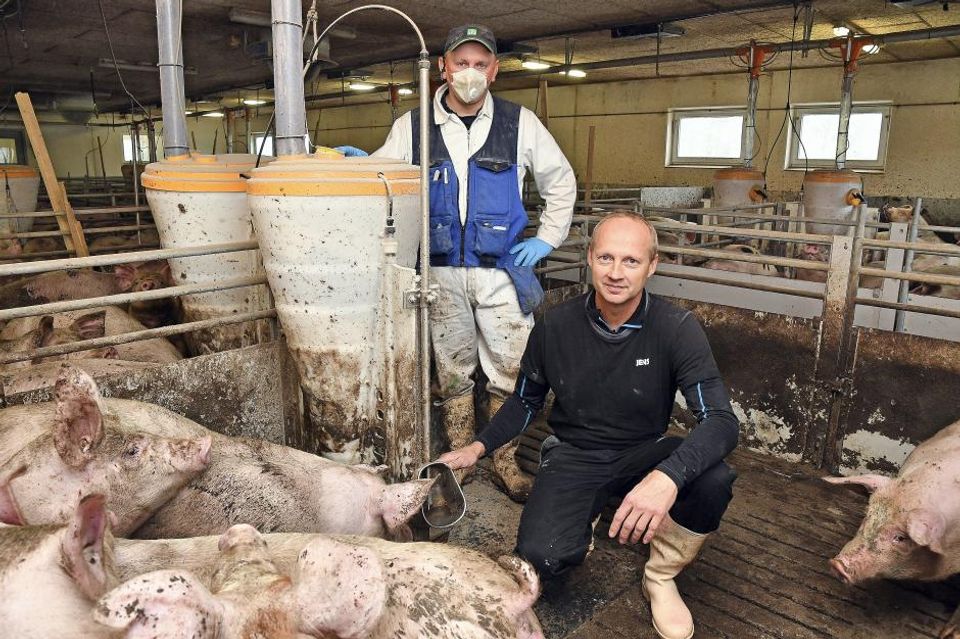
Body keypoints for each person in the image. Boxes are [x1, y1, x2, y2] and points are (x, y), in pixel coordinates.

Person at [439, 211, 740, 639]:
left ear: (652, 265)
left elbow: (722, 423)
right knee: (542, 560)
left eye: (631, 262)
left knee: (713, 477)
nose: (616, 274)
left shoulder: (677, 329)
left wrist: (667, 478)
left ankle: (661, 574)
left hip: (643, 452)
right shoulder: (554, 326)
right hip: (574, 454)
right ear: (590, 259)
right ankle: (585, 514)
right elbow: (526, 401)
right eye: (606, 259)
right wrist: (477, 448)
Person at [373, 24, 576, 499]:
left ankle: (504, 461)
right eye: (460, 63)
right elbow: (384, 180)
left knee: (513, 369)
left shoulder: (519, 123)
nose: (470, 73)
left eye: (480, 64)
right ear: (442, 68)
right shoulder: (412, 127)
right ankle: (460, 459)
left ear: (495, 71)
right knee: (452, 369)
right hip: (440, 271)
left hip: (502, 271)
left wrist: (546, 240)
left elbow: (560, 182)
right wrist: (355, 165)